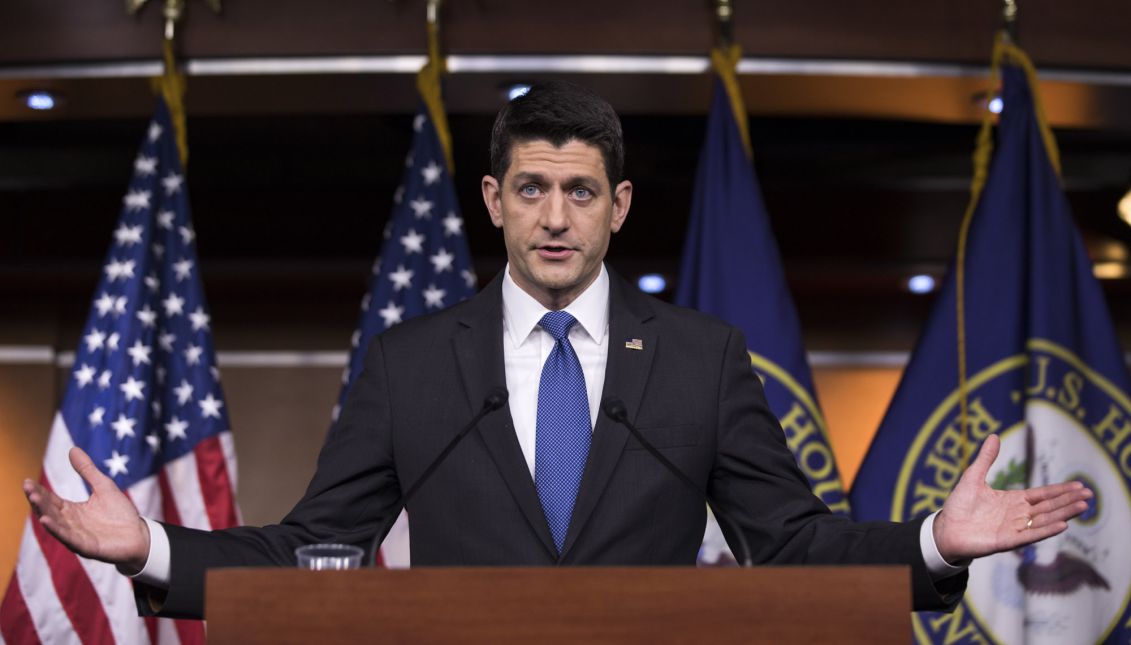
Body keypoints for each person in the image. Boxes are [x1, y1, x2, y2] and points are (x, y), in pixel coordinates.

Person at [24, 81, 1092, 619]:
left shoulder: (701, 358)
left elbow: (794, 544)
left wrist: (935, 546)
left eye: (580, 191)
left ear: (618, 206)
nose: (554, 216)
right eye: (530, 189)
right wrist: (150, 550)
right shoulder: (410, 364)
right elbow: (314, 549)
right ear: (494, 200)